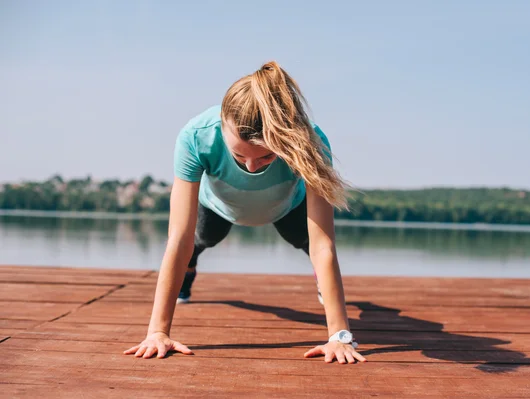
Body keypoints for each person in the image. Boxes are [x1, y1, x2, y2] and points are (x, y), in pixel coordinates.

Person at [124, 61, 366, 364]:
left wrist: (339, 336)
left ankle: (322, 281)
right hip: (218, 207)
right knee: (200, 240)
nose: (251, 167)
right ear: (223, 124)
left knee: (305, 242)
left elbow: (323, 243)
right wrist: (157, 332)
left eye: (265, 157)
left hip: (286, 206)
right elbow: (178, 236)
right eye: (240, 155)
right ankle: (188, 273)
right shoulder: (197, 137)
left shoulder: (311, 141)